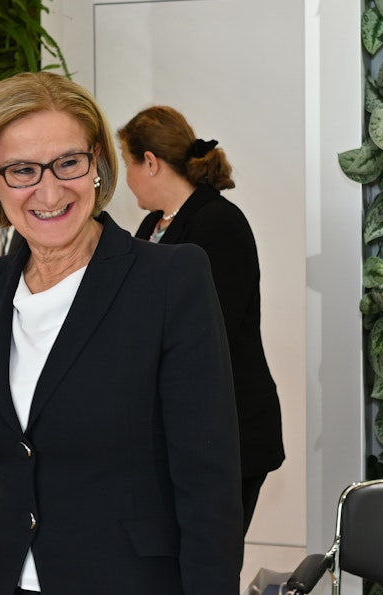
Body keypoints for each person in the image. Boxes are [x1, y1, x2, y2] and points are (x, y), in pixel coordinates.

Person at [0, 72, 243, 594]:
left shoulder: (170, 280)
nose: (50, 190)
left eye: (68, 163)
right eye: (22, 170)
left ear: (96, 162)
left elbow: (207, 486)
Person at [117, 104, 284, 534]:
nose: (126, 177)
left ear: (150, 162)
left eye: (127, 163)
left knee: (208, 558)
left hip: (227, 430)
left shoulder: (219, 222)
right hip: (177, 431)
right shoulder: (152, 225)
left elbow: (209, 330)